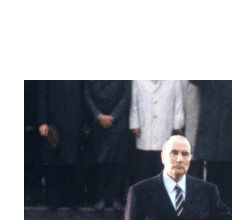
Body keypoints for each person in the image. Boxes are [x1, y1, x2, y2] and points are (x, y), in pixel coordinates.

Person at [189, 81, 232, 213]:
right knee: (213, 171)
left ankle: (229, 208)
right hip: (211, 125)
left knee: (231, 171)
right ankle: (213, 207)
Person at [37, 80, 87, 210]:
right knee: (53, 161)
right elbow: (42, 95)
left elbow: (85, 94)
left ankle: (72, 200)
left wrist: (86, 122)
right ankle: (54, 200)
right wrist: (42, 121)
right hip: (53, 121)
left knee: (73, 161)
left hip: (75, 120)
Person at [84, 80, 132, 211]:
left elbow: (126, 97)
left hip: (117, 122)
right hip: (97, 124)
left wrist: (113, 116)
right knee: (99, 162)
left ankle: (115, 198)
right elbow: (87, 96)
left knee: (117, 161)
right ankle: (100, 198)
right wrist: (98, 115)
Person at [129, 80, 184, 184]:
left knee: (163, 164)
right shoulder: (137, 80)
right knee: (144, 166)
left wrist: (177, 125)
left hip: (165, 126)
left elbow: (178, 103)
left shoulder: (174, 80)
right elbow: (134, 103)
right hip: (145, 128)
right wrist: (135, 124)